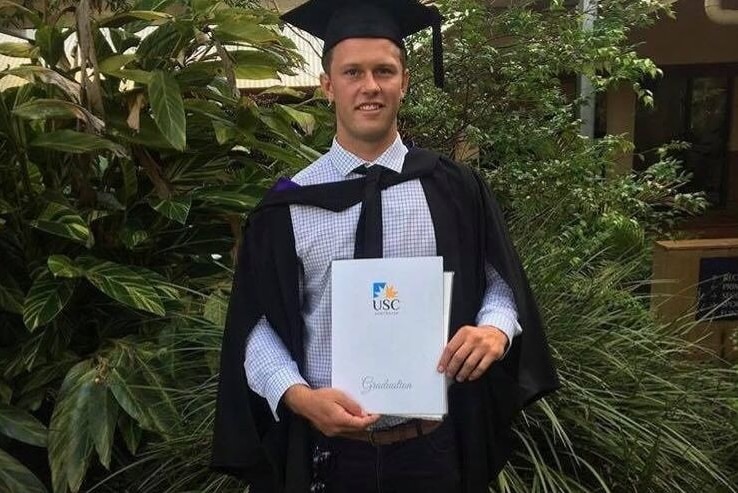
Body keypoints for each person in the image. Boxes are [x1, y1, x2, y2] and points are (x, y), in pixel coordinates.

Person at [211, 1, 559, 492]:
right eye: (352, 72)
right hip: (327, 457)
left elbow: (501, 287)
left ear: (405, 81)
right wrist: (294, 394)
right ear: (329, 85)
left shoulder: (455, 190)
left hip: (434, 451)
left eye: (384, 71)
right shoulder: (287, 208)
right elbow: (256, 326)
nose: (369, 86)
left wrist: (494, 332)